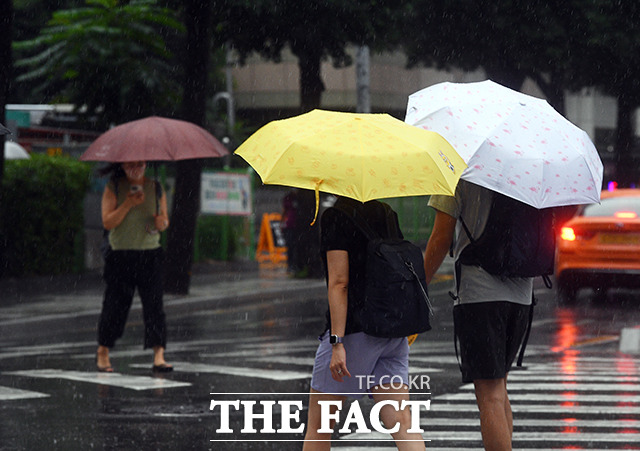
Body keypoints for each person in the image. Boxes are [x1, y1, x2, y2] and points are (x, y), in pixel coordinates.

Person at [303, 196, 425, 450]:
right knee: (403, 424)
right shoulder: (386, 212)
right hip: (391, 330)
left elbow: (339, 282)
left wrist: (337, 342)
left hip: (355, 331)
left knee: (319, 426)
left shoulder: (336, 217)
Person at [424, 180, 532, 451]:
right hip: (522, 294)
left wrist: (418, 285)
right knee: (499, 388)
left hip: (480, 293)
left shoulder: (458, 170)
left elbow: (440, 238)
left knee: (489, 394)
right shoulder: (524, 167)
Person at [95, 161, 172, 373]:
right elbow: (108, 222)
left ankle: (159, 353)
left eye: (140, 164)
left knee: (154, 306)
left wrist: (161, 223)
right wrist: (128, 203)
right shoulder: (115, 187)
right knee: (115, 306)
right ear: (123, 165)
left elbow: (164, 220)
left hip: (150, 255)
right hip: (121, 256)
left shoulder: (155, 187)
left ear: (147, 164)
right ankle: (103, 350)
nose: (136, 168)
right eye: (131, 164)